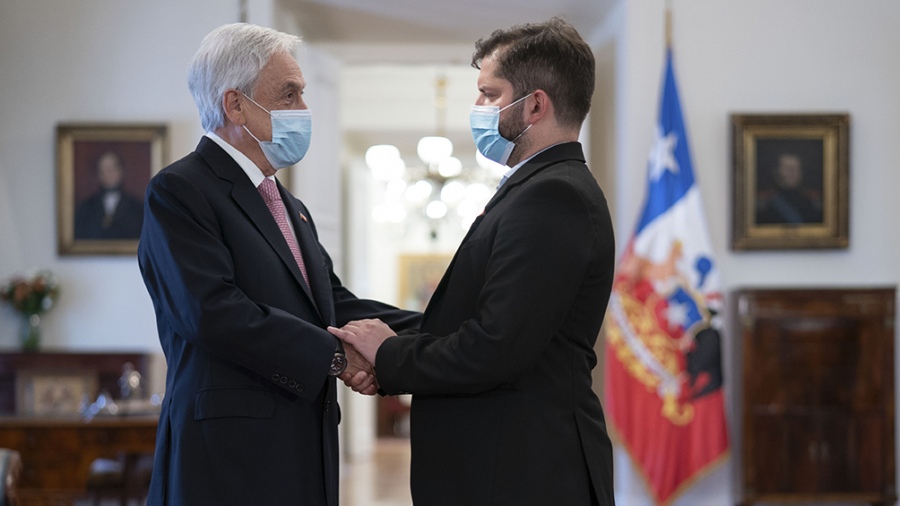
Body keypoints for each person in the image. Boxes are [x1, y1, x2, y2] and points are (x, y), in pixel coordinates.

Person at [330, 17, 616, 505]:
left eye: (488, 93)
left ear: (535, 105)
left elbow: (493, 348)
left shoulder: (553, 196)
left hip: (521, 474)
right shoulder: (538, 189)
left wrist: (388, 355)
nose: (478, 108)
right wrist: (373, 334)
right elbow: (466, 323)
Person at [137, 23, 420, 506]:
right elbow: (213, 312)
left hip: (302, 447)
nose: (304, 111)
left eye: (303, 94)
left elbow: (335, 306)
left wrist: (446, 327)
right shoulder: (180, 190)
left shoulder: (289, 204)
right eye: (289, 95)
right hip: (226, 461)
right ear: (235, 105)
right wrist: (336, 356)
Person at [74, 150, 144, 239]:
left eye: (112, 169)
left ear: (121, 171)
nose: (108, 174)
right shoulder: (85, 207)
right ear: (98, 174)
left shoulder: (137, 207)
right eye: (103, 170)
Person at [755, 152, 823, 224]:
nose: (793, 172)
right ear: (776, 172)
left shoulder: (812, 202)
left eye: (796, 168)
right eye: (787, 168)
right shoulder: (764, 203)